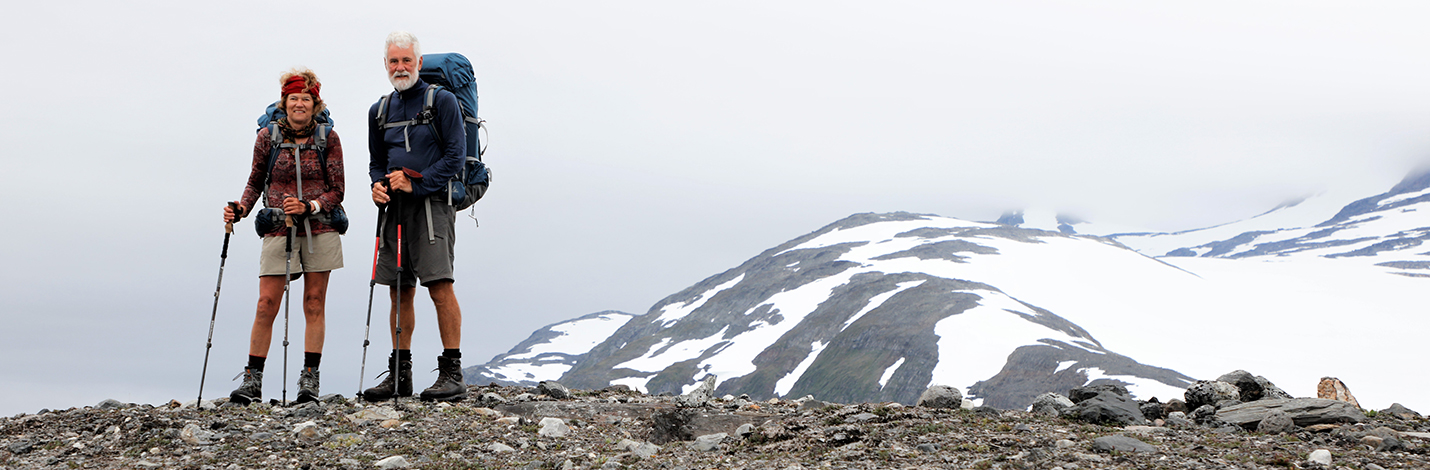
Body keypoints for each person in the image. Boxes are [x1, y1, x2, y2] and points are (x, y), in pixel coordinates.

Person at [223, 68, 346, 405]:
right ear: (285, 101)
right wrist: (241, 208)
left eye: (305, 98)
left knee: (314, 303)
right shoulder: (267, 136)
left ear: (315, 102)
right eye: (294, 98)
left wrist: (310, 206)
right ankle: (252, 380)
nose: (299, 104)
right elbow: (255, 181)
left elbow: (338, 190)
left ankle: (309, 381)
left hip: (321, 227)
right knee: (266, 304)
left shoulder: (328, 138)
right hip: (277, 227)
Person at [362, 31, 469, 402]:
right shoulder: (379, 110)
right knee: (398, 290)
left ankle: (452, 372)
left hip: (432, 206)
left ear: (419, 63)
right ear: (386, 65)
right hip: (394, 210)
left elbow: (456, 156)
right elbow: (377, 163)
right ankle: (399, 374)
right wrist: (378, 186)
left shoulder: (442, 101)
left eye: (407, 60)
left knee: (439, 285)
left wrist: (416, 184)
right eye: (394, 61)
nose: (400, 67)